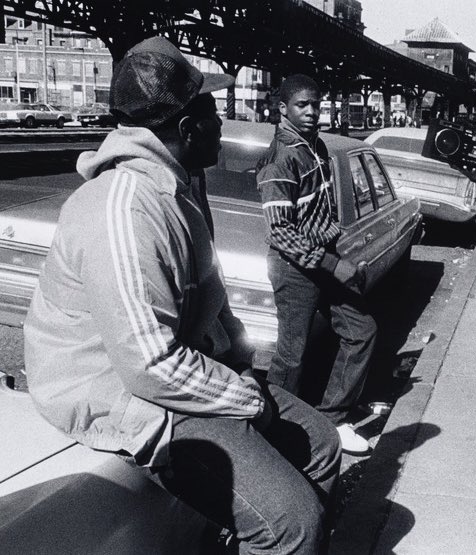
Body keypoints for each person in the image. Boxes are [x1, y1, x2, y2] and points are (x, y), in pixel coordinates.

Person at [24, 37, 340, 554]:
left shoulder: (177, 188)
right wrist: (247, 399)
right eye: (215, 116)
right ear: (191, 129)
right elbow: (147, 364)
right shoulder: (125, 208)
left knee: (322, 443)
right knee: (293, 522)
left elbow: (207, 305)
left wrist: (239, 361)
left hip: (177, 371)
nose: (224, 126)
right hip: (123, 396)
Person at [256, 74, 377, 455]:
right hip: (294, 268)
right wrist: (330, 263)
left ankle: (332, 419)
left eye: (315, 105)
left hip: (323, 261)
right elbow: (280, 233)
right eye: (301, 105)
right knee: (292, 354)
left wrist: (337, 251)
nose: (311, 112)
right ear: (283, 109)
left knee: (362, 330)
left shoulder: (316, 146)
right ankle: (270, 431)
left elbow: (319, 211)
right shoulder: (281, 158)